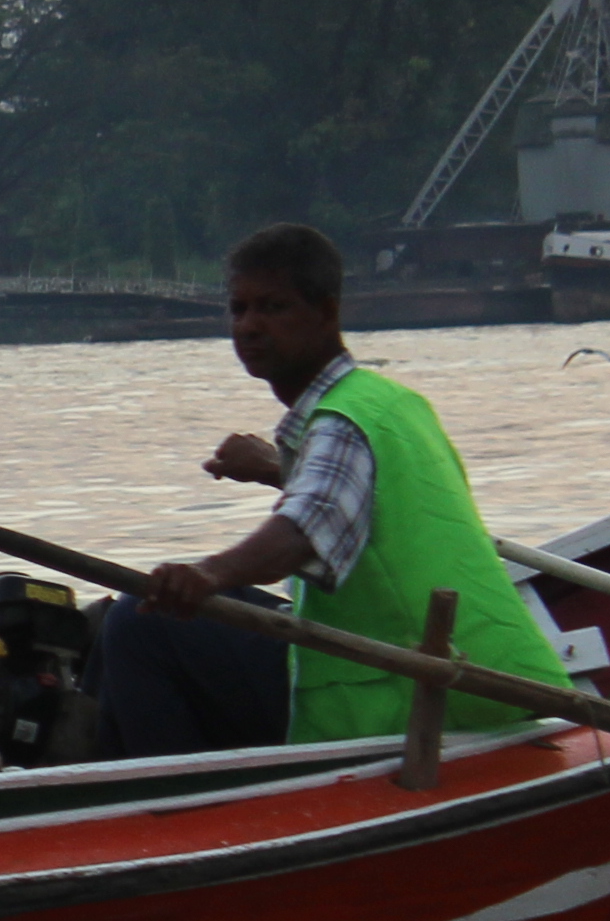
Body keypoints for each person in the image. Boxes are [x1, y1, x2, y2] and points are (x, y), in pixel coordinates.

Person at [92, 219, 572, 756]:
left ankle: (171, 814)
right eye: (239, 309)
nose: (248, 327)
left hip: (420, 691)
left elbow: (304, 531)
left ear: (326, 313)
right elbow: (360, 502)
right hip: (484, 673)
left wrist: (207, 574)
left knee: (139, 622)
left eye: (272, 308)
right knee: (126, 623)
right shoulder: (388, 402)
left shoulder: (342, 421)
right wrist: (278, 469)